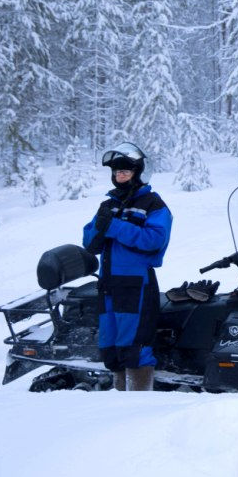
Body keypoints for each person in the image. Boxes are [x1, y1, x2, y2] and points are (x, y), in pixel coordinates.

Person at [83, 142, 172, 391]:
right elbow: (89, 242)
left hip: (137, 285)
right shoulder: (108, 204)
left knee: (135, 345)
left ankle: (138, 404)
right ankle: (119, 404)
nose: (119, 175)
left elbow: (154, 241)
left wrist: (114, 227)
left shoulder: (153, 204)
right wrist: (100, 229)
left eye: (125, 171)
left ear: (139, 172)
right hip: (109, 284)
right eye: (116, 171)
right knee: (111, 347)